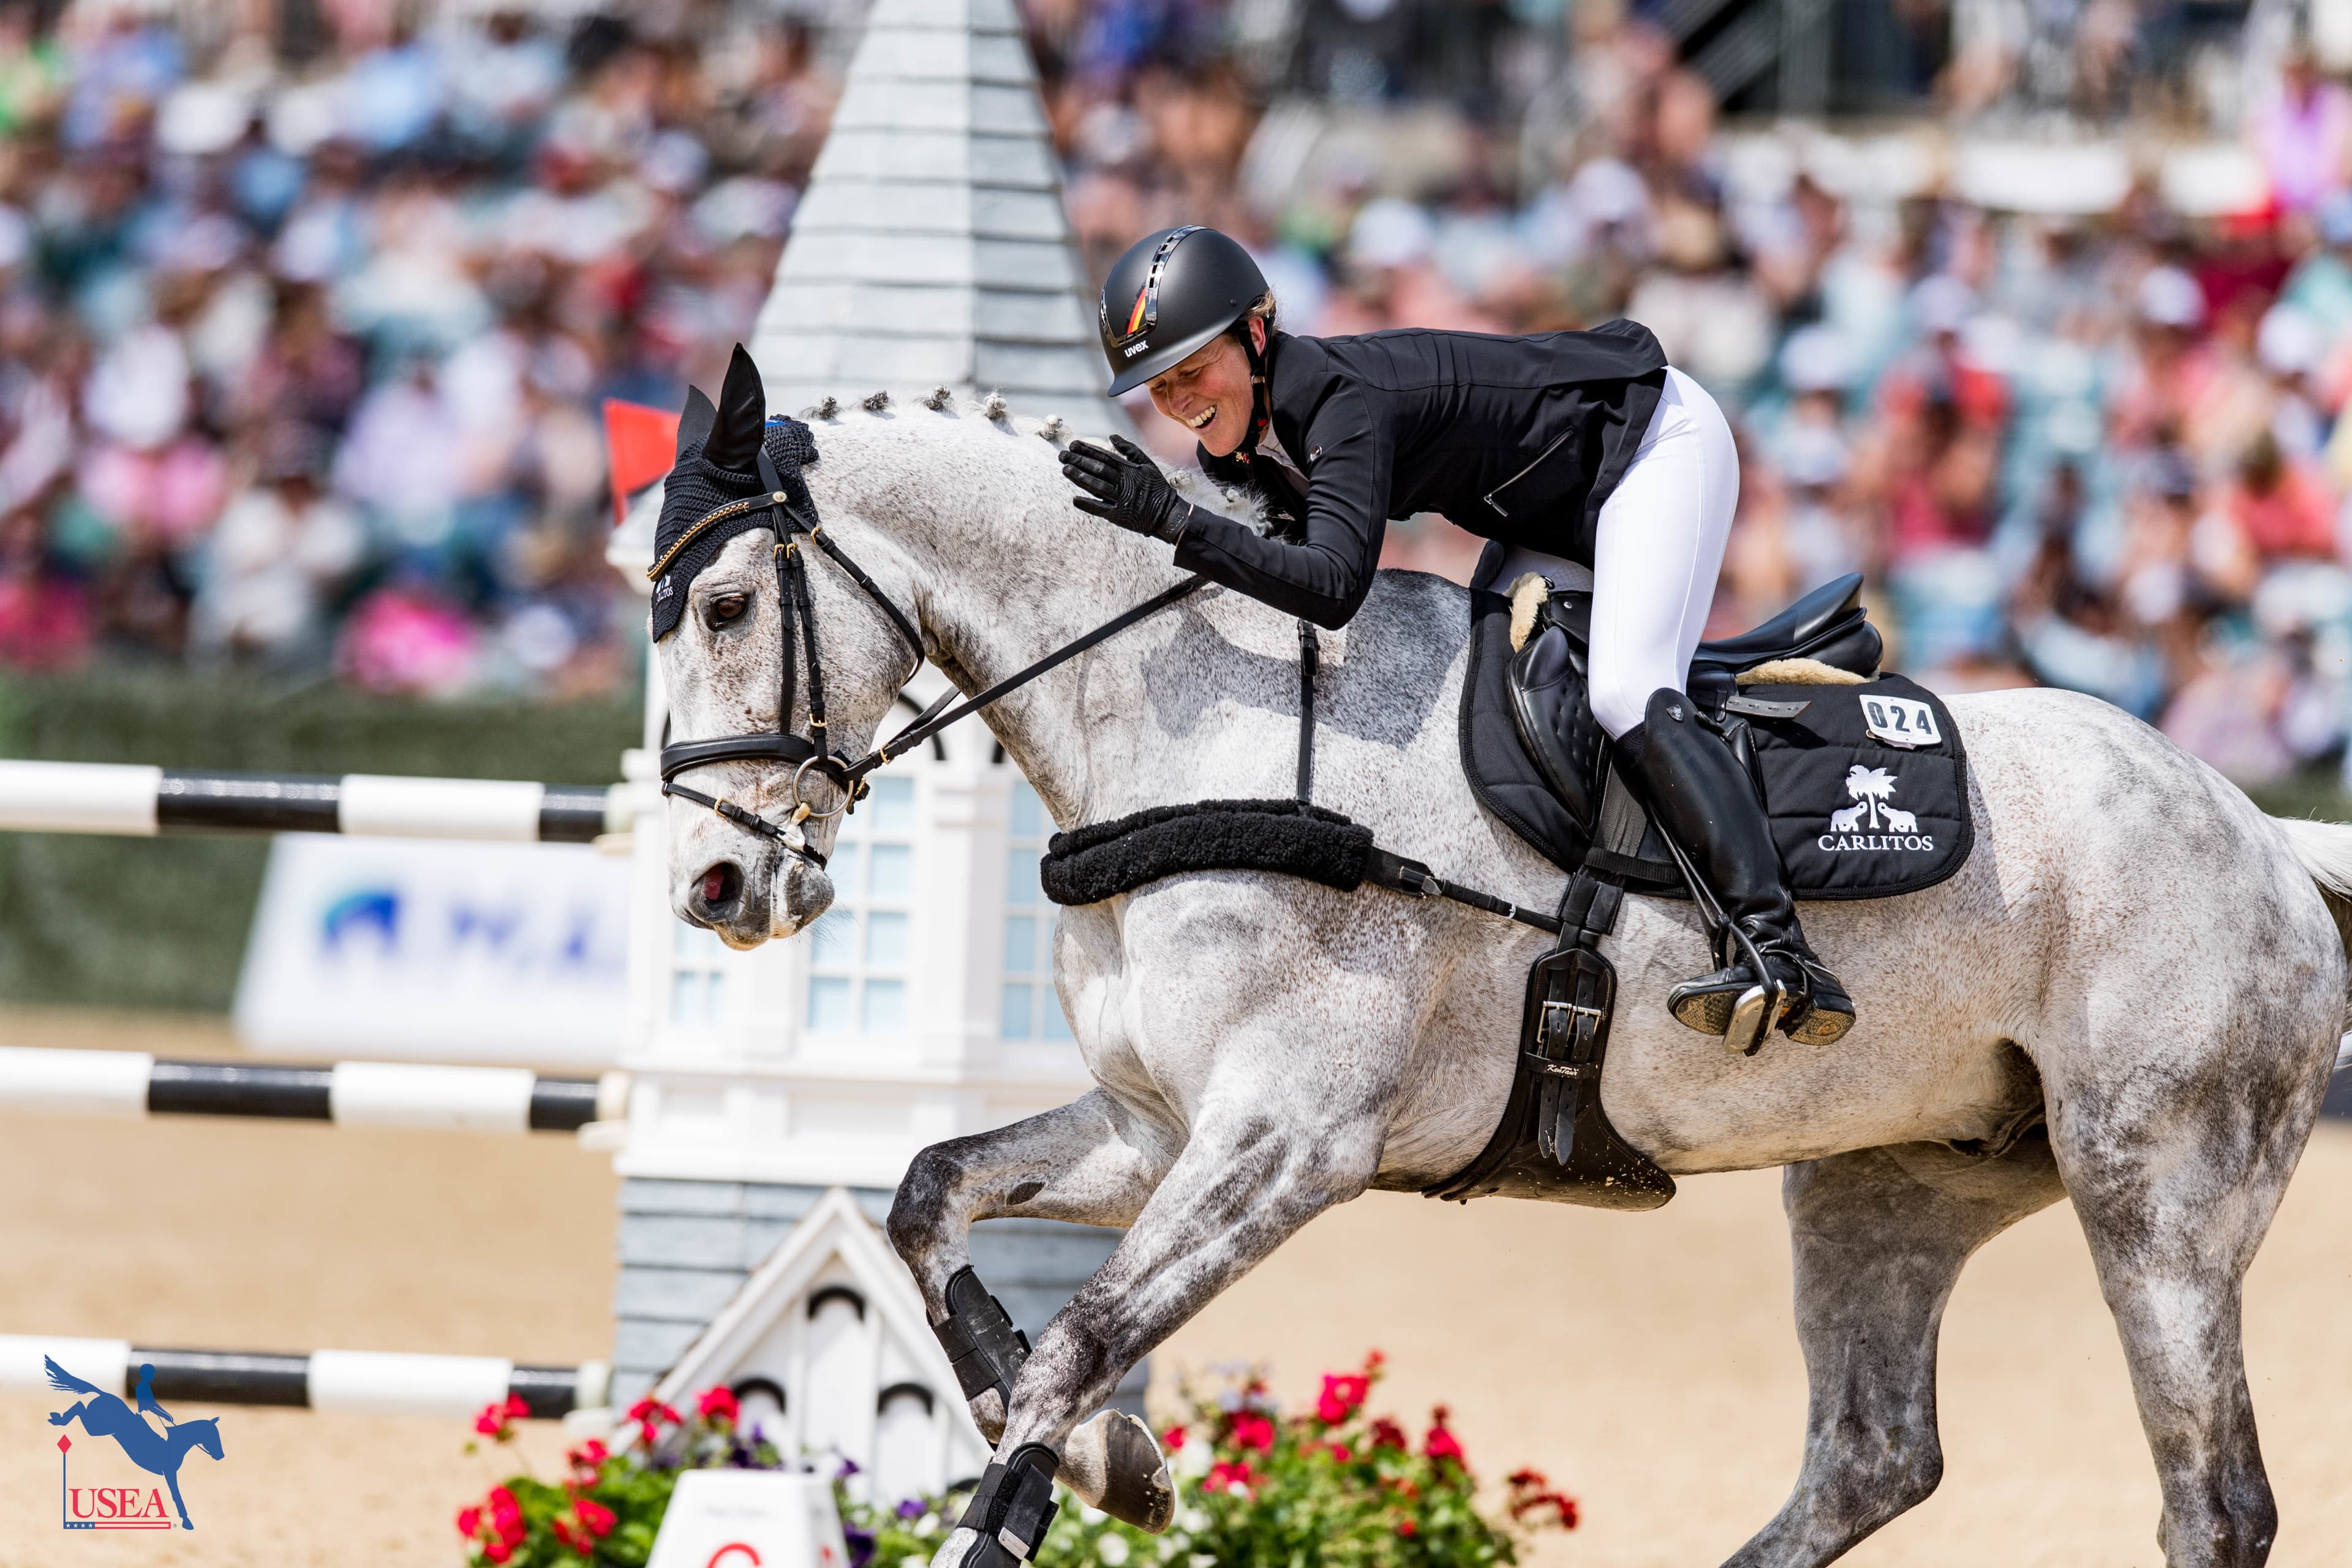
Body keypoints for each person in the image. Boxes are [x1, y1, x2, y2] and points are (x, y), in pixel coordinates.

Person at [1059, 225, 1853, 1046]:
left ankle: (1777, 948)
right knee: (1491, 684)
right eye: (1160, 386)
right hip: (1550, 510)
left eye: (1193, 370)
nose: (1181, 399)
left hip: (1651, 446)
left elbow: (1332, 589)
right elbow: (1274, 566)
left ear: (1255, 336)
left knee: (1626, 689)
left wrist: (1177, 522)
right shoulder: (1247, 443)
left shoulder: (1340, 403)